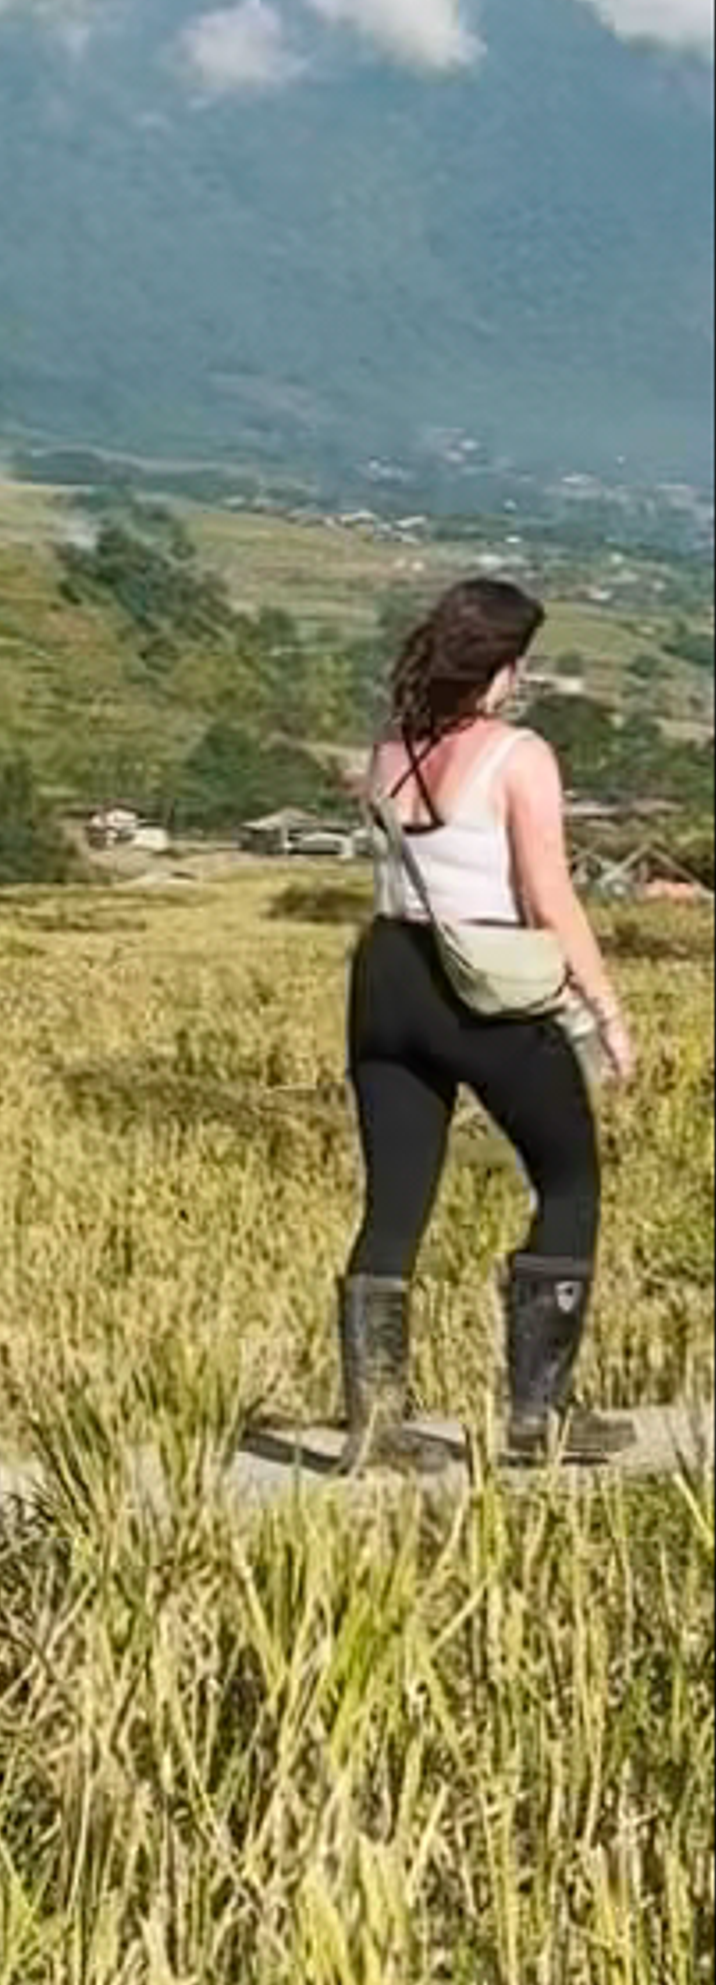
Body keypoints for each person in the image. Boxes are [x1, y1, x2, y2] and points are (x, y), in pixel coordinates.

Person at [340, 572, 634, 1467]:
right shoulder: (520, 756)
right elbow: (550, 895)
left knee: (394, 1204)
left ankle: (376, 1426)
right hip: (488, 984)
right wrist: (607, 1009)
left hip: (388, 975)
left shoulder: (392, 748)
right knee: (568, 1179)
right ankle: (537, 1416)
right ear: (502, 665)